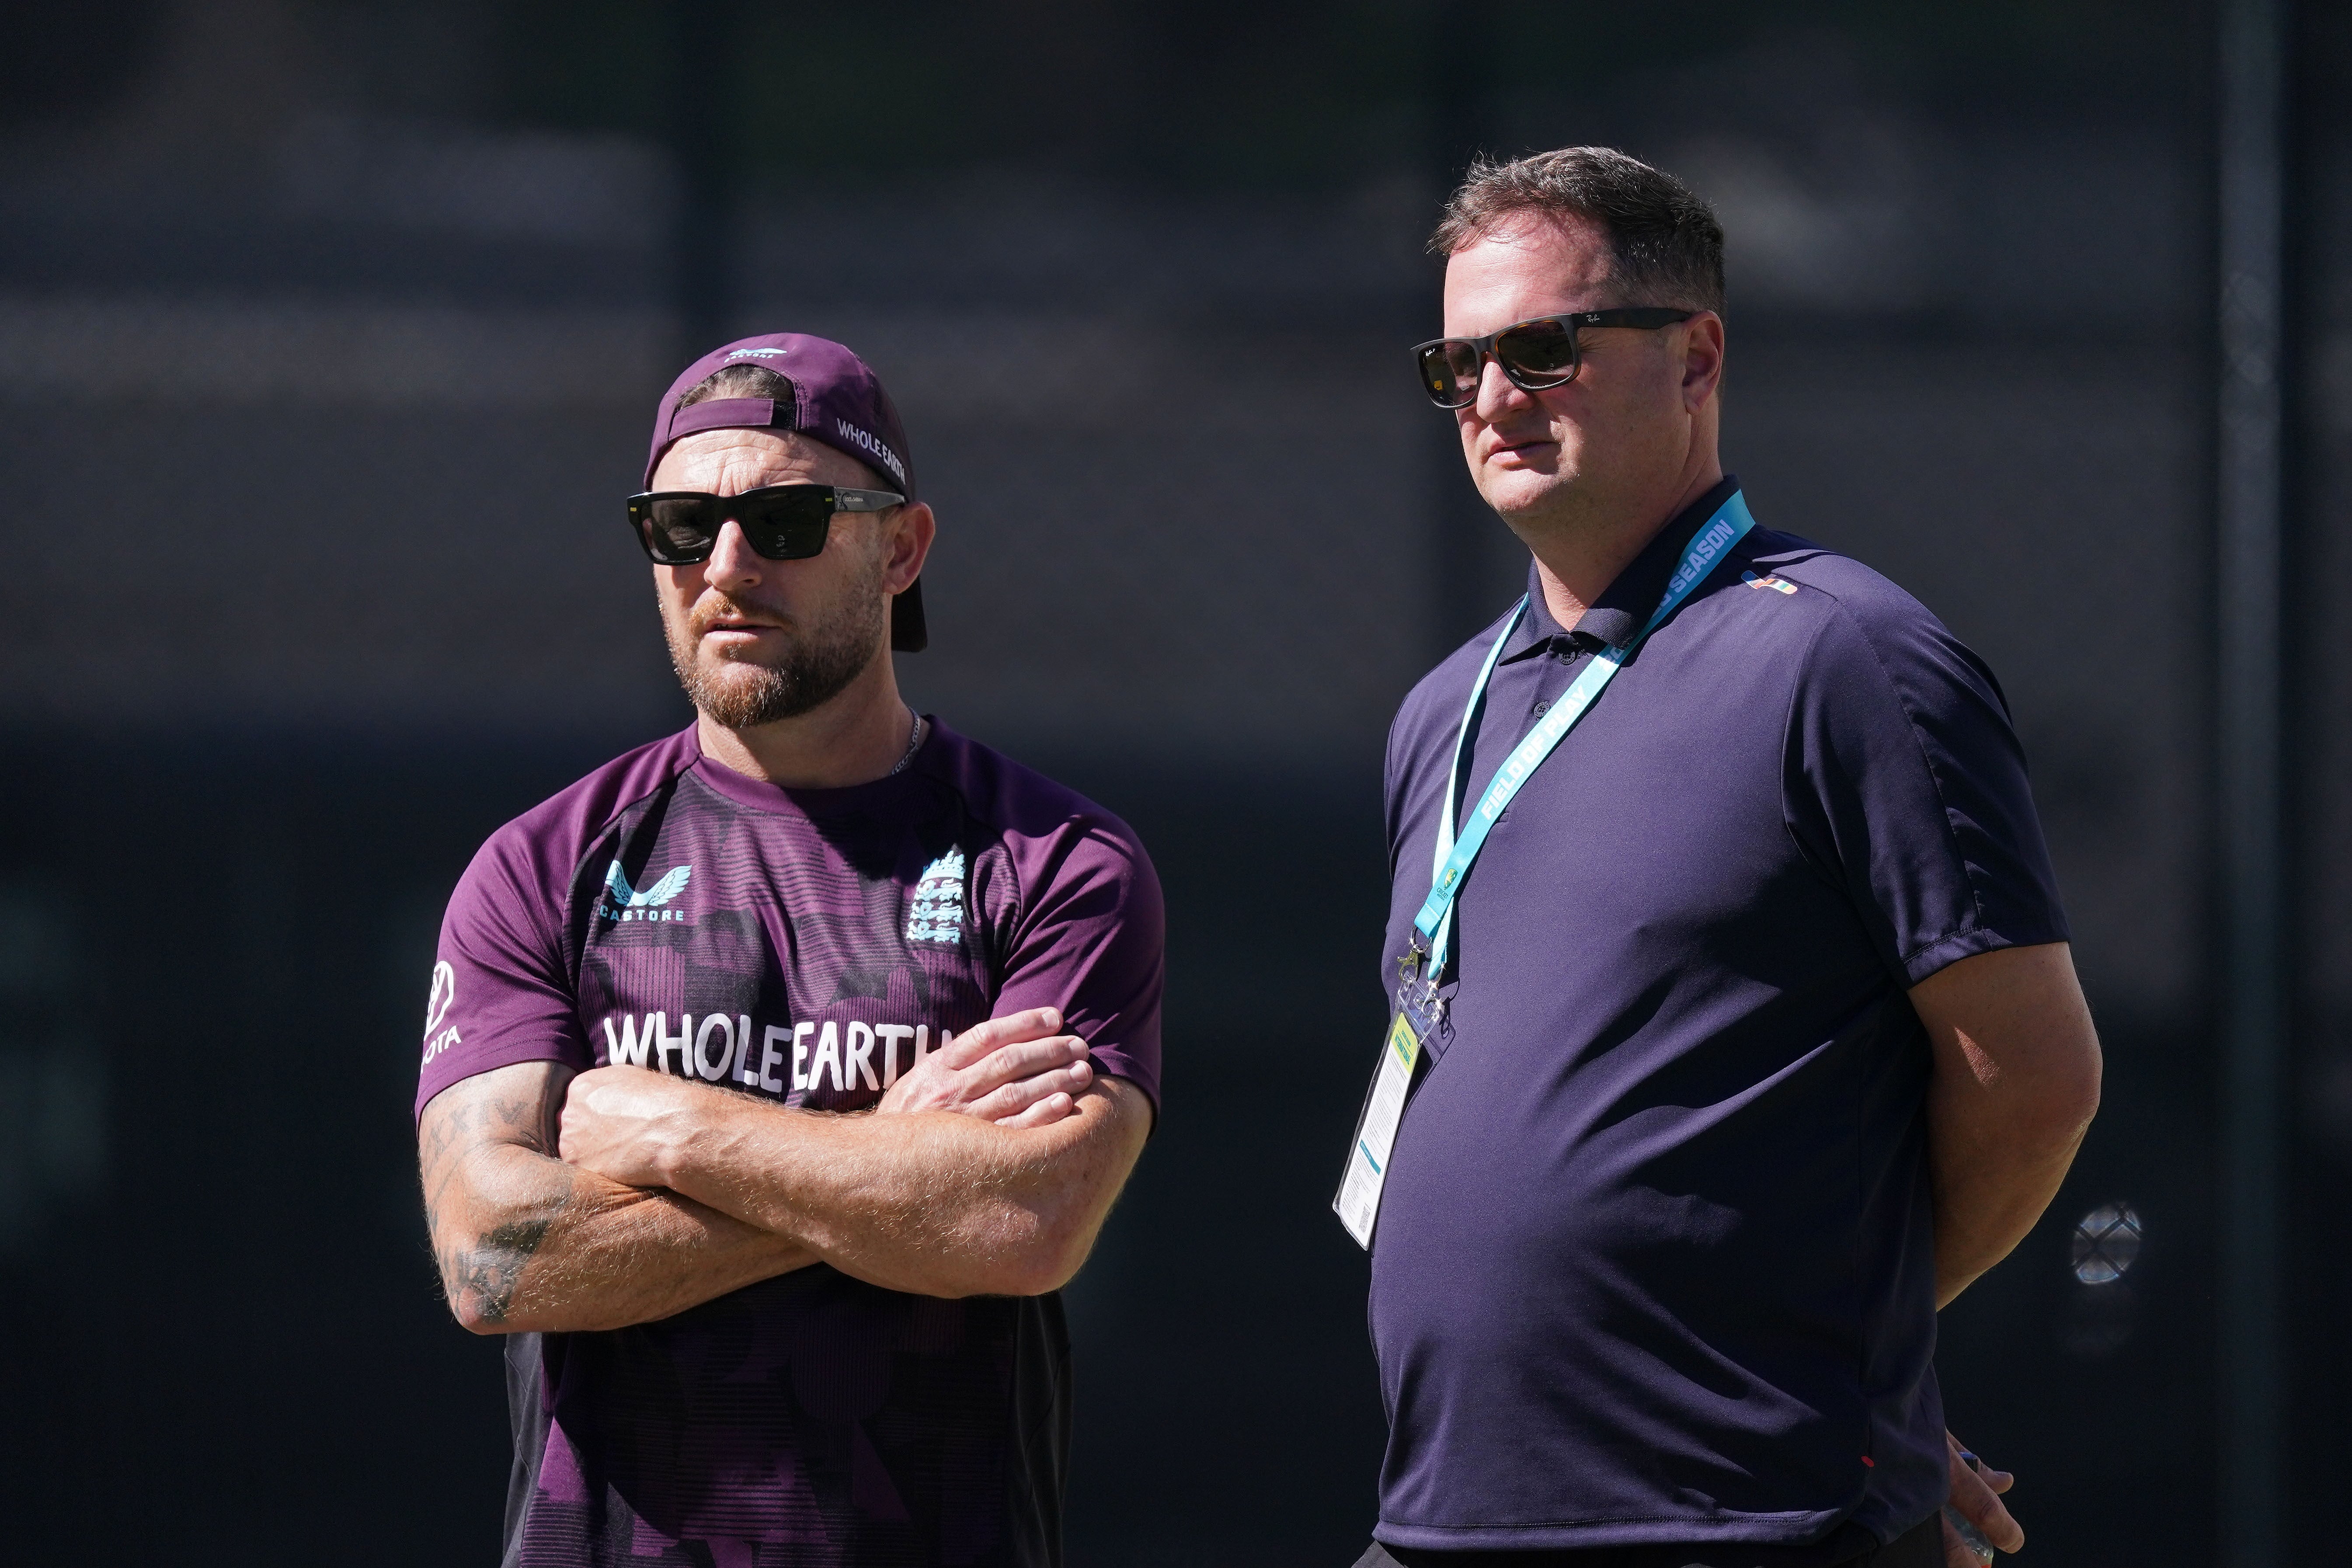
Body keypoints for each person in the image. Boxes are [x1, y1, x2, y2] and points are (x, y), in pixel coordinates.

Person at [1339, 149, 2102, 1568]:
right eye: (1458, 365)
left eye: (1543, 349)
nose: (1495, 399)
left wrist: (1838, 1361)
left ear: (1694, 359)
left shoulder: (1845, 657)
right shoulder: (1445, 707)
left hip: (1736, 1521)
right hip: (1440, 1519)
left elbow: (2034, 1077)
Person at [414, 333, 1162, 1568]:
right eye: (679, 523)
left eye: (789, 519)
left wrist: (671, 1133)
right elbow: (493, 1259)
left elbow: (1025, 1218)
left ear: (901, 548)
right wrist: (894, 1164)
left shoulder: (1053, 860)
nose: (725, 565)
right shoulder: (541, 866)